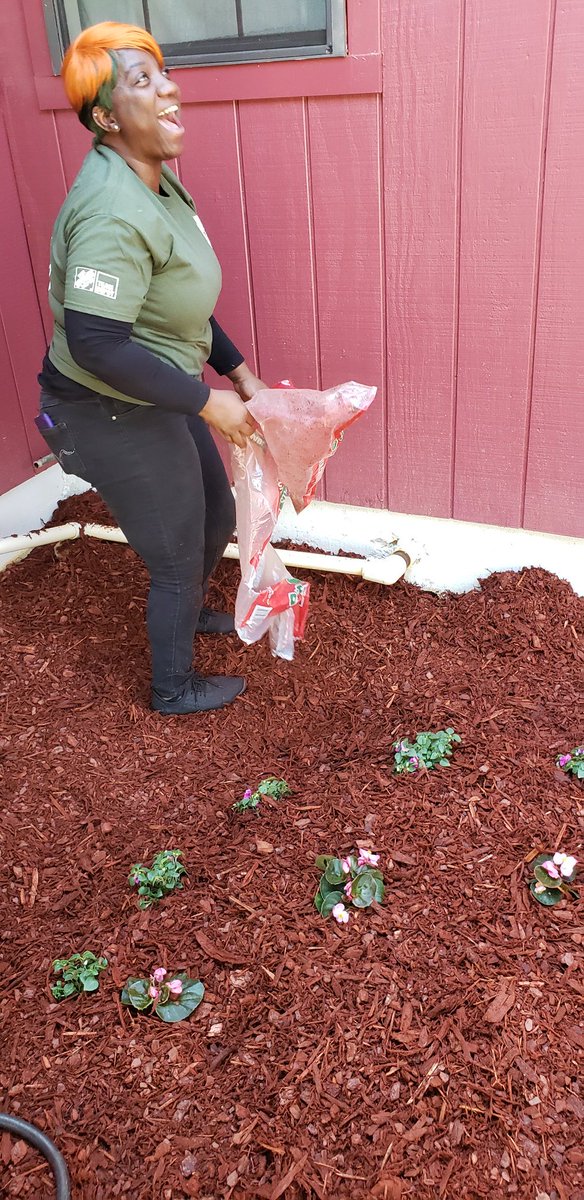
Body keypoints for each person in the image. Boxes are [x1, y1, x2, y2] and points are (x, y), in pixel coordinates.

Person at [36, 21, 267, 715]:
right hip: (103, 405)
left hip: (156, 385)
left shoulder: (154, 183)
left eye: (163, 73)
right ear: (106, 118)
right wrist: (208, 402)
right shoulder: (111, 211)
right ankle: (172, 687)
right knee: (175, 551)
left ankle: (187, 611)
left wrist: (237, 371)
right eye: (142, 81)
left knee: (215, 511)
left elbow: (176, 303)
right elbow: (98, 343)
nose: (169, 89)